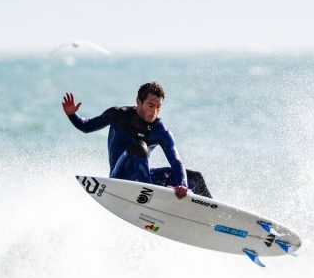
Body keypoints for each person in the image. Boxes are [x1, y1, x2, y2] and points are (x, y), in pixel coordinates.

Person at [61, 81, 212, 199]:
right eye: (150, 105)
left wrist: (182, 185)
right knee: (139, 147)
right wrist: (71, 115)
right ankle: (150, 193)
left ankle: (214, 217)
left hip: (145, 177)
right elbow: (86, 127)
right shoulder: (118, 115)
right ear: (138, 101)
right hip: (120, 178)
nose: (154, 112)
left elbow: (175, 160)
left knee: (195, 178)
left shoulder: (160, 130)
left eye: (159, 107)